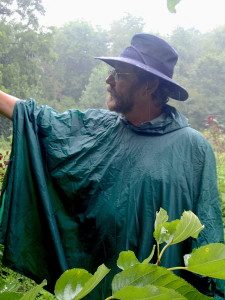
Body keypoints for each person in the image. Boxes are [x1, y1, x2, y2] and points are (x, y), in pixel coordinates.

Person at [0, 33, 224, 299]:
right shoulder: (99, 128)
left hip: (157, 291)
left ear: (149, 85)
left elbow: (207, 229)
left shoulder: (192, 148)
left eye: (119, 74)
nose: (108, 80)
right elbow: (40, 120)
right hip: (101, 286)